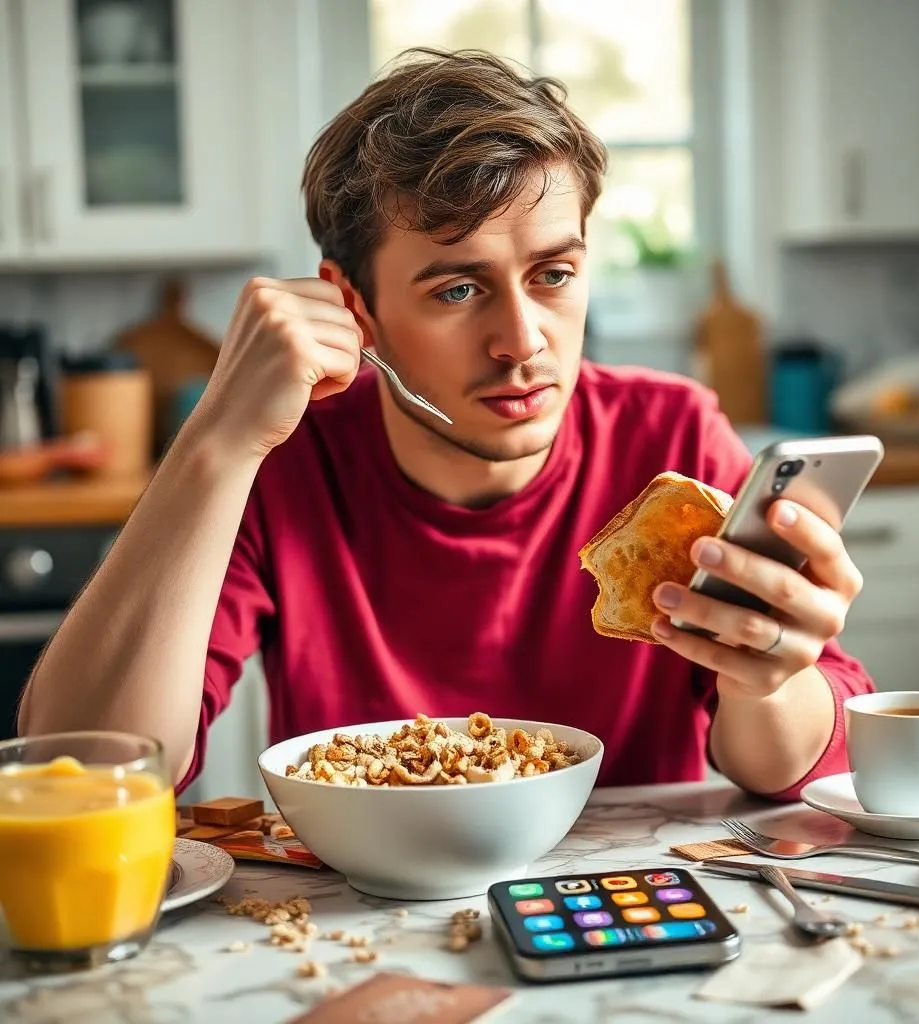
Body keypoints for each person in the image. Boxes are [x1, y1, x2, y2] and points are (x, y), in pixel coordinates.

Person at [18, 48, 873, 799]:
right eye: (457, 289)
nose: (521, 342)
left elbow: (804, 767)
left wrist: (766, 679)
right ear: (355, 305)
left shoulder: (672, 438)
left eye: (553, 274)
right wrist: (215, 441)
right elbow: (89, 770)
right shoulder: (285, 460)